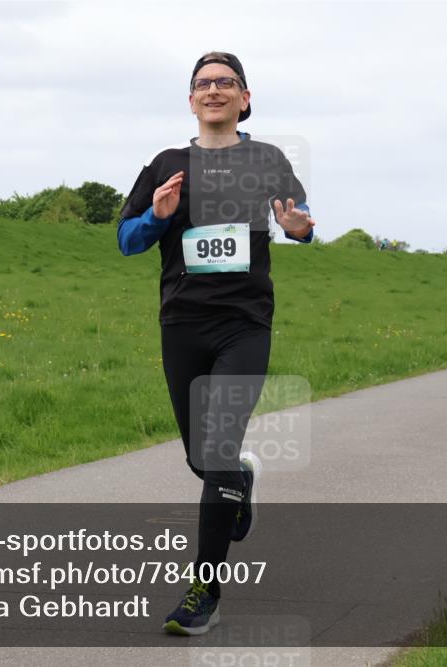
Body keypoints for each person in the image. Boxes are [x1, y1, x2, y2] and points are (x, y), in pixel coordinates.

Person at [117, 51, 314, 635]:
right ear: (191, 99)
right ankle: (239, 482)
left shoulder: (267, 159)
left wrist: (300, 227)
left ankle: (204, 590)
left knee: (221, 448)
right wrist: (156, 216)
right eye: (203, 83)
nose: (214, 90)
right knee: (202, 459)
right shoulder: (166, 163)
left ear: (244, 98)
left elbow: (298, 218)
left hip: (244, 324)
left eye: (226, 82)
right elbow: (127, 240)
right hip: (182, 323)